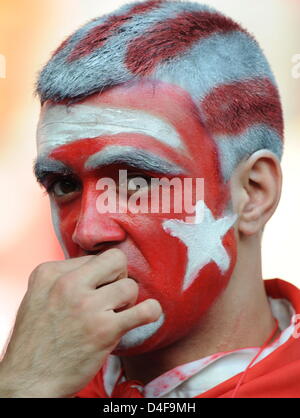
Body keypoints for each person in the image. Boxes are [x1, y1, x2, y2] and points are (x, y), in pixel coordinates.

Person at [0, 0, 300, 398]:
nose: (89, 231)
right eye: (63, 184)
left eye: (137, 180)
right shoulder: (32, 376)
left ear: (253, 193)